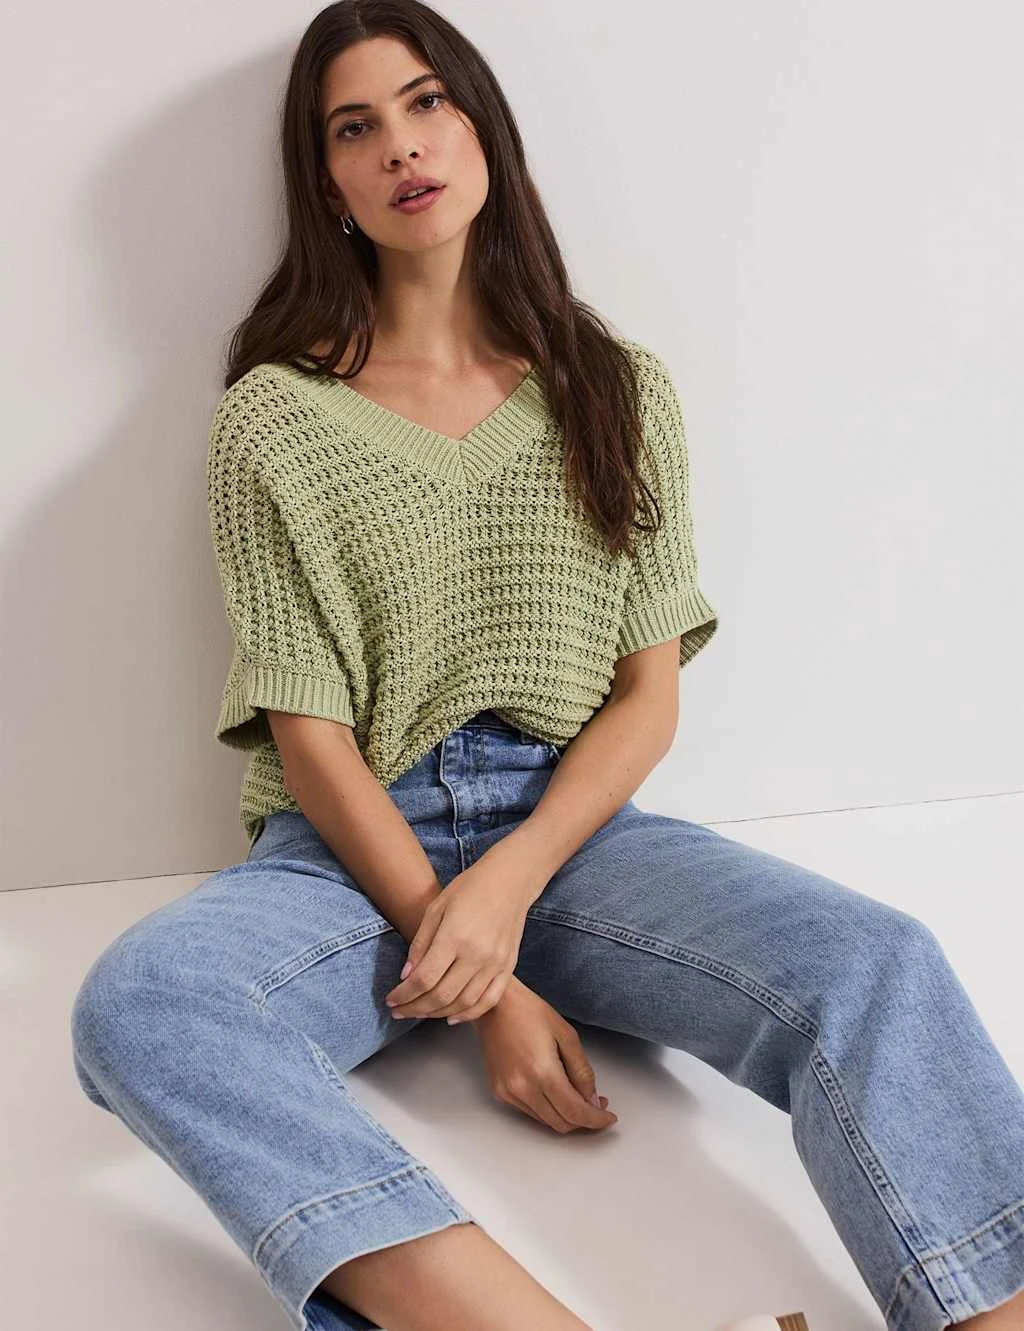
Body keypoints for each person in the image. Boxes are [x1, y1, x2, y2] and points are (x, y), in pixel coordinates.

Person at [70, 4, 1024, 1331]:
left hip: (575, 833)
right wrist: (489, 989)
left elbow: (647, 695)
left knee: (877, 960)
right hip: (347, 855)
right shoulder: (275, 418)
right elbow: (310, 734)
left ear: (483, 128)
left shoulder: (613, 386)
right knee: (145, 1003)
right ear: (327, 182)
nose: (402, 147)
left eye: (427, 103)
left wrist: (510, 886)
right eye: (355, 128)